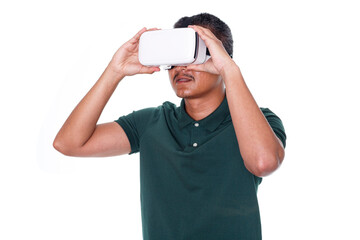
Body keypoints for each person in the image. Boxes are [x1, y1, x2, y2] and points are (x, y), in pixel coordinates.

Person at [53, 13, 286, 240]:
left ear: (219, 57)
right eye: (174, 58)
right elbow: (68, 143)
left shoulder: (260, 120)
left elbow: (263, 163)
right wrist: (115, 70)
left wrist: (230, 71)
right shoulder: (151, 123)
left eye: (193, 55)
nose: (180, 68)